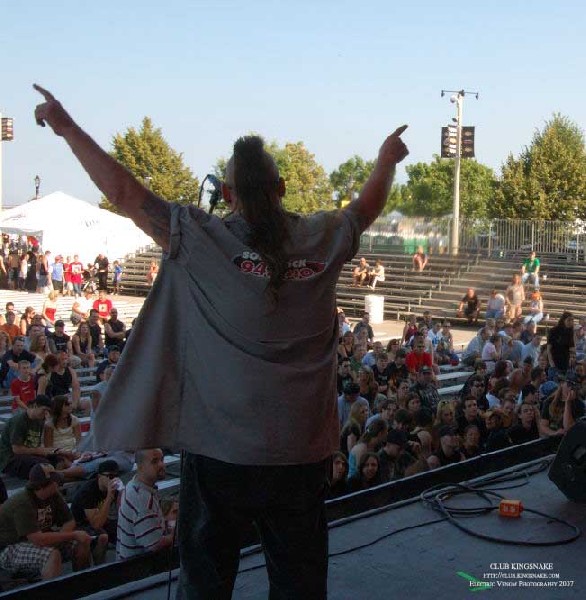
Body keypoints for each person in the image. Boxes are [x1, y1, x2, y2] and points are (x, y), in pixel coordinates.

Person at [35, 84, 408, 598]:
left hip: (220, 455)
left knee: (207, 582)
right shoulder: (323, 238)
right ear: (280, 187)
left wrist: (66, 127)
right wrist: (387, 158)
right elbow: (365, 207)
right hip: (300, 452)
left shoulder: (203, 237)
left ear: (229, 195)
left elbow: (123, 193)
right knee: (299, 583)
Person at [0, 463, 98, 580]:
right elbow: (37, 539)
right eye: (54, 481)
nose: (57, 484)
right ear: (41, 486)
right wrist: (71, 535)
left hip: (39, 539)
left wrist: (62, 536)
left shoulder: (53, 494)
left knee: (82, 542)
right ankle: (49, 592)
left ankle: (81, 585)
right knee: (52, 555)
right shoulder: (23, 502)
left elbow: (70, 521)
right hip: (10, 547)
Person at [116, 448, 174, 559]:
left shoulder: (134, 485)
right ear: (140, 466)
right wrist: (174, 535)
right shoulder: (142, 501)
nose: (162, 464)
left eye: (162, 459)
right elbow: (155, 545)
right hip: (139, 569)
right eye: (154, 461)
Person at [71, 459, 123, 548]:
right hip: (81, 524)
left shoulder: (114, 488)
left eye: (116, 476)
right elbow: (96, 524)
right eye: (110, 476)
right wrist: (109, 497)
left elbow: (121, 514)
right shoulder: (88, 492)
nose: (113, 480)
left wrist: (122, 494)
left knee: (126, 529)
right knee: (102, 537)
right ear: (99, 476)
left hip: (103, 521)